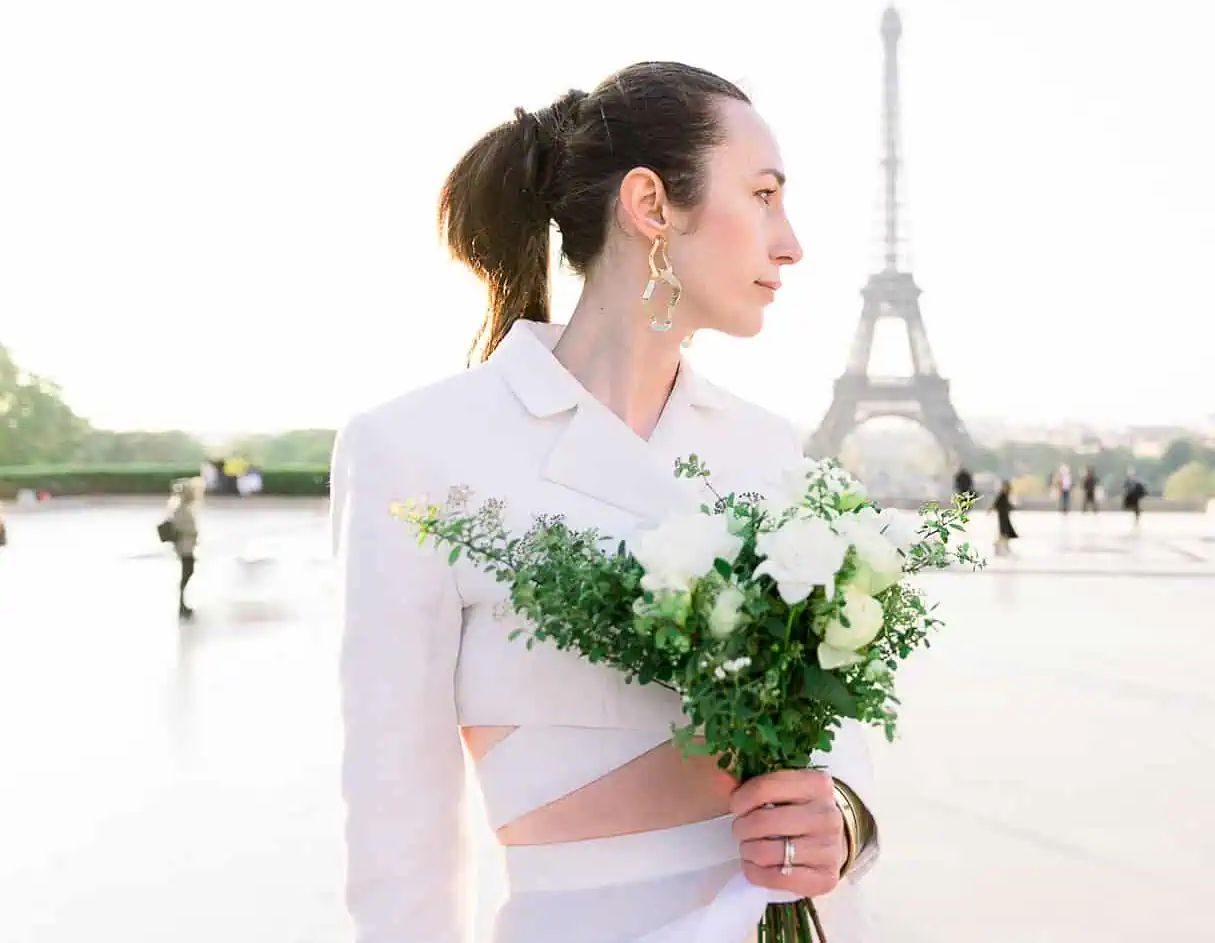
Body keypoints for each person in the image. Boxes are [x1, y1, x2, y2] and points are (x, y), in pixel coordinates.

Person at [332, 64, 879, 943]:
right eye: (765, 194)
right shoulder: (416, 450)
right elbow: (398, 820)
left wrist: (842, 818)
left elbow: (838, 735)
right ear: (651, 204)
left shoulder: (766, 446)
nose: (791, 243)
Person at [167, 476, 202, 619]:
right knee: (186, 575)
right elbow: (182, 528)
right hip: (184, 548)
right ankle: (182, 605)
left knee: (187, 574)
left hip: (186, 547)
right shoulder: (181, 509)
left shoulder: (182, 508)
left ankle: (183, 604)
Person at [993, 478, 1019, 555]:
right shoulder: (1002, 495)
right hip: (1002, 515)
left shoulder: (1006, 495)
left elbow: (1006, 504)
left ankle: (1004, 544)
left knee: (1005, 530)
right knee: (1003, 530)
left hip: (1005, 515)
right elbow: (996, 503)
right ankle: (999, 543)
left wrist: (1011, 507)